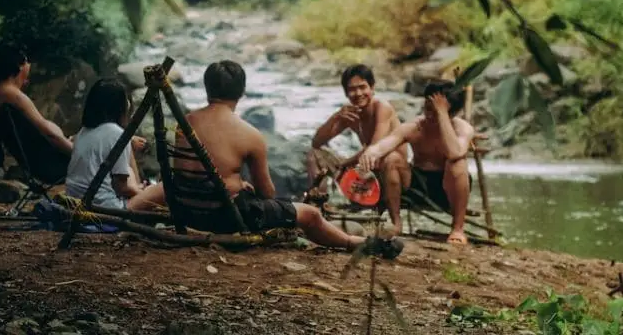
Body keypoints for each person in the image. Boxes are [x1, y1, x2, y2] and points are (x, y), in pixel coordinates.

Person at [130, 60, 403, 259]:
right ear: (242, 92)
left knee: (162, 187)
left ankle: (124, 210)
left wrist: (233, 182)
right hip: (223, 216)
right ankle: (354, 243)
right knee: (309, 214)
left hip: (185, 206)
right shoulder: (249, 134)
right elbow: (267, 193)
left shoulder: (184, 122)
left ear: (206, 88)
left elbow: (192, 170)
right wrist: (242, 186)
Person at [357, 80, 480, 244]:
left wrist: (442, 113)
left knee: (457, 163)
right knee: (392, 158)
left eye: (434, 112)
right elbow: (387, 143)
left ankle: (457, 229)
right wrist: (371, 152)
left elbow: (454, 152)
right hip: (417, 184)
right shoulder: (416, 126)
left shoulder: (463, 128)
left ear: (452, 114)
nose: (429, 115)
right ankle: (396, 222)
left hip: (449, 187)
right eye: (427, 108)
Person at [306, 65, 410, 219]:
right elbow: (317, 142)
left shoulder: (382, 107)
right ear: (346, 93)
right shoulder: (352, 113)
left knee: (386, 158)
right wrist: (336, 117)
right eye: (352, 89)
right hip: (366, 170)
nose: (358, 93)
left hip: (391, 172)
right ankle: (319, 204)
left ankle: (390, 216)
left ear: (372, 87)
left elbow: (375, 148)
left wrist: (345, 163)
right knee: (314, 155)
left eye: (363, 87)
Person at [0, 42, 72, 180]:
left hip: (36, 164)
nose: (29, 65)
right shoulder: (14, 95)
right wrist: (75, 151)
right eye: (26, 61)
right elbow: (49, 133)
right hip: (52, 166)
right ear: (19, 65)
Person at [65, 77, 149, 208]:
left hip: (75, 202)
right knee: (162, 190)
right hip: (105, 208)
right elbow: (121, 188)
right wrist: (141, 193)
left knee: (127, 170)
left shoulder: (83, 132)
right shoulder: (117, 134)